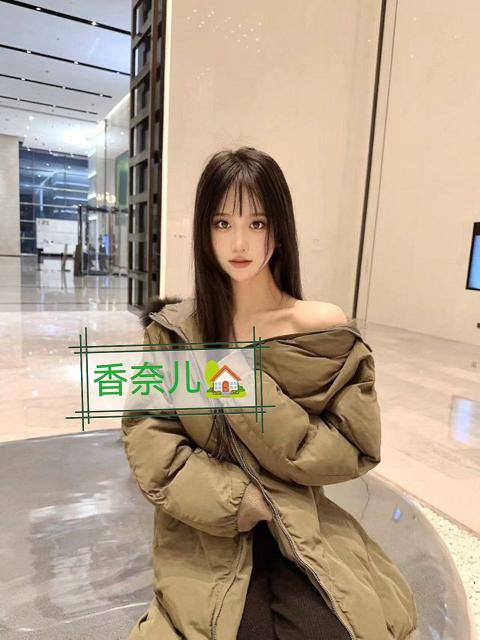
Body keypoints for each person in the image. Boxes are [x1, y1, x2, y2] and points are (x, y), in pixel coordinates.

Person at [121, 147, 419, 639]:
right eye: (222, 223)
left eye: (256, 223)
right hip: (207, 530)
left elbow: (354, 444)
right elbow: (152, 443)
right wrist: (238, 500)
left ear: (279, 228)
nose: (239, 242)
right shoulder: (176, 334)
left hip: (301, 521)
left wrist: (240, 383)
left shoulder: (319, 327)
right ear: (203, 232)